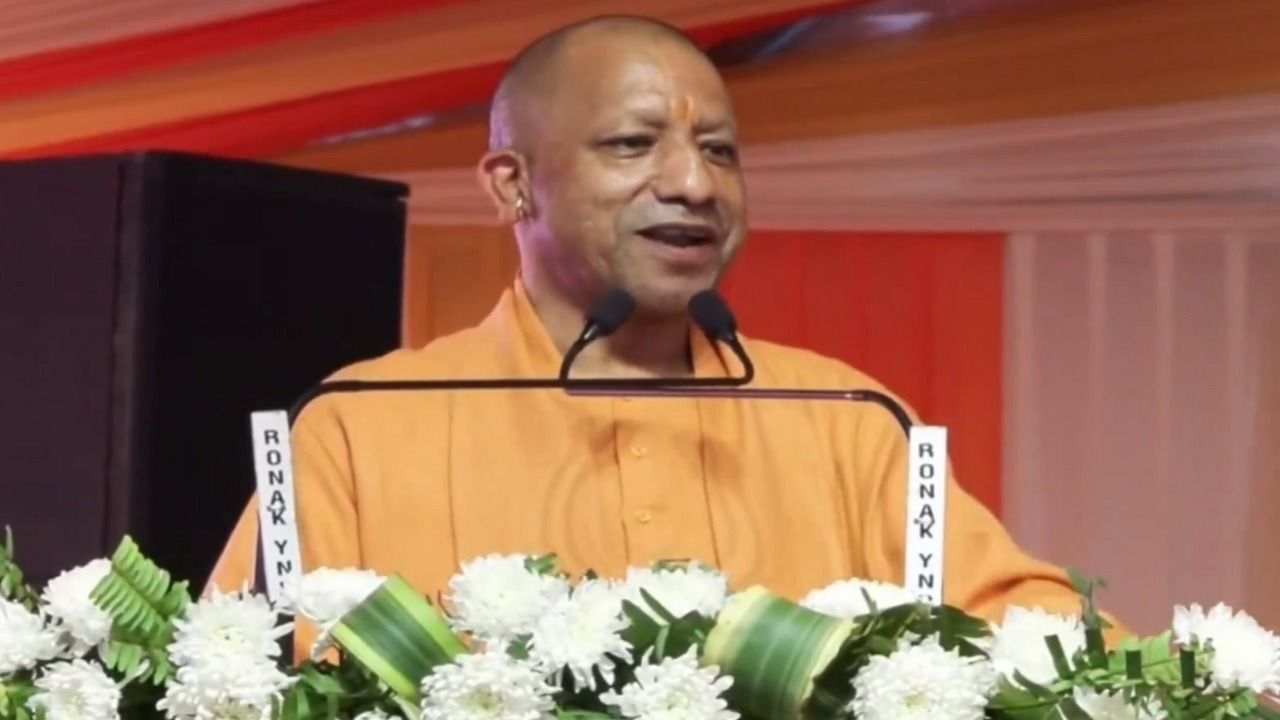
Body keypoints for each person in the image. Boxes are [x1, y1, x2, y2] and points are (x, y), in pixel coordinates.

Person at [210, 15, 1100, 639]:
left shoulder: (849, 421)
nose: (695, 185)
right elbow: (239, 678)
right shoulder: (355, 427)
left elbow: (1034, 643)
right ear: (513, 185)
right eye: (633, 145)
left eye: (719, 151)